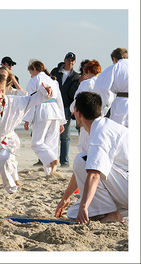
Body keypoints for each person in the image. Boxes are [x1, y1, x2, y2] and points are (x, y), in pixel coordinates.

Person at [0, 72, 55, 211]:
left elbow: (31, 99)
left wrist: (44, 91)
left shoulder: (15, 101)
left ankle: (10, 185)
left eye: (2, 91)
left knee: (4, 159)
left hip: (7, 140)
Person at [55, 92, 128, 224]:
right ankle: (115, 212)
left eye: (74, 110)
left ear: (80, 114)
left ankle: (113, 214)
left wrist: (84, 205)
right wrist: (66, 197)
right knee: (72, 214)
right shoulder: (100, 127)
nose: (73, 114)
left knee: (80, 160)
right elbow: (83, 170)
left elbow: (94, 174)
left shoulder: (100, 133)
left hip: (127, 186)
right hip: (124, 185)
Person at [23, 60, 66, 177]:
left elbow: (31, 100)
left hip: (43, 111)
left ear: (35, 70)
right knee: (51, 143)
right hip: (55, 112)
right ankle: (50, 172)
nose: (30, 74)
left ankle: (52, 159)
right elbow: (60, 101)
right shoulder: (53, 81)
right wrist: (62, 121)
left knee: (36, 143)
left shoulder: (34, 80)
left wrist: (27, 119)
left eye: (30, 72)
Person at [51, 52, 81, 167]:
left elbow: (73, 93)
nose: (70, 62)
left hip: (66, 107)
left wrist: (78, 83)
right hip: (53, 106)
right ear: (64, 60)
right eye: (68, 60)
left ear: (74, 62)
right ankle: (48, 159)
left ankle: (64, 161)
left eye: (72, 61)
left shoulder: (76, 76)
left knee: (65, 135)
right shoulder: (55, 71)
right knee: (51, 133)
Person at [69, 60, 105, 153]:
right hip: (103, 116)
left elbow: (77, 99)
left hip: (88, 116)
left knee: (84, 145)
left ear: (88, 71)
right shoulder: (105, 83)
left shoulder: (86, 83)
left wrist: (72, 109)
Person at [93, 47, 128, 127]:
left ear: (114, 59)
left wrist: (98, 111)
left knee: (118, 132)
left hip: (121, 106)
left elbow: (102, 89)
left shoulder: (114, 68)